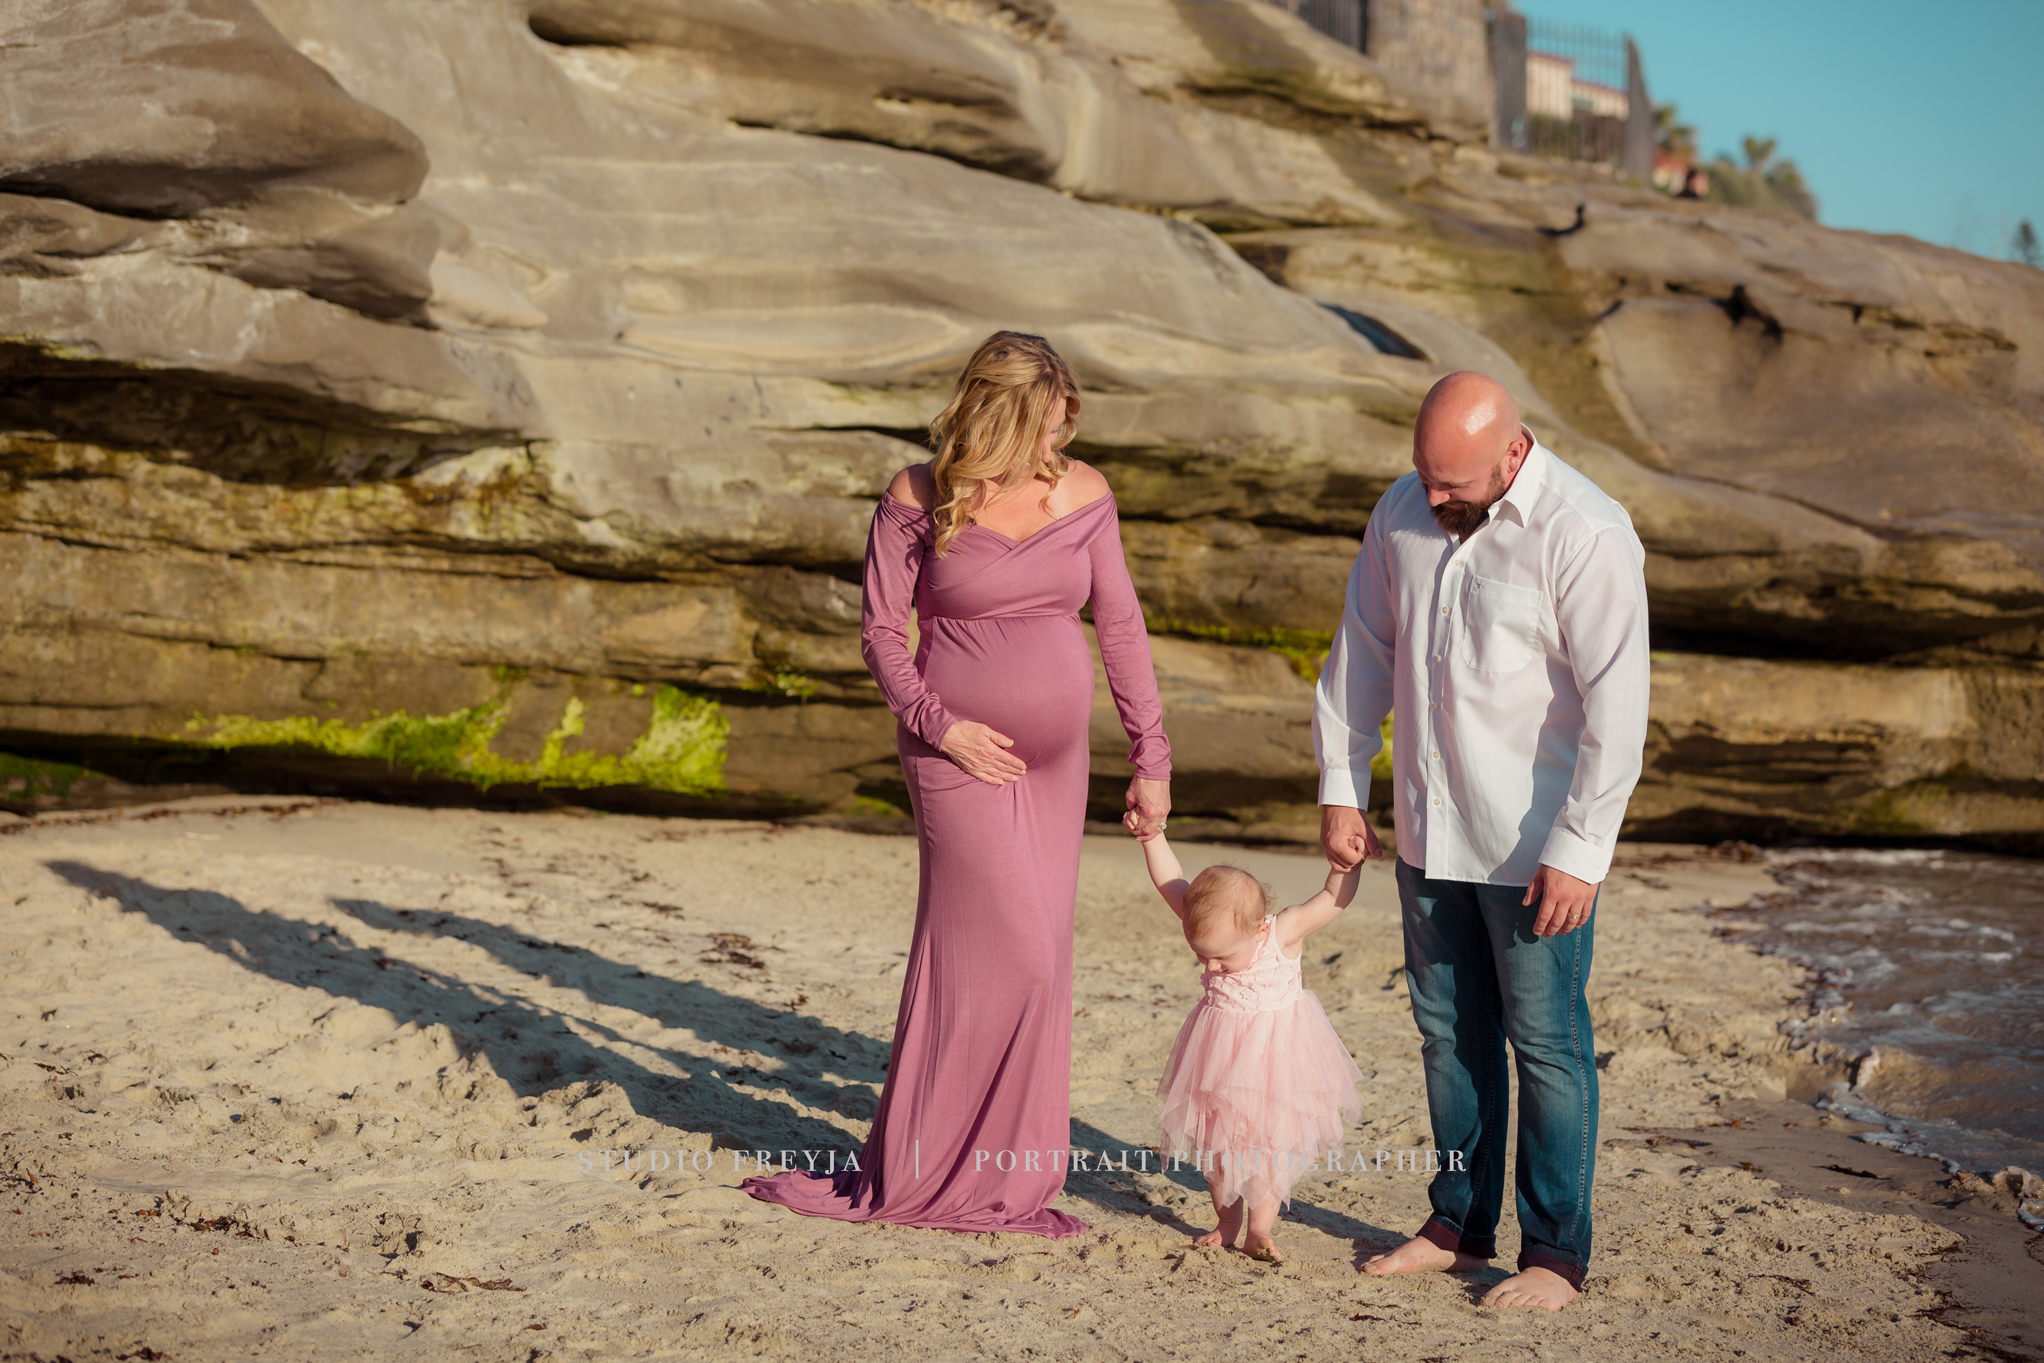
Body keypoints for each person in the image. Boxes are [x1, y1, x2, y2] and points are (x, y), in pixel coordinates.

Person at [742, 331, 1172, 1237]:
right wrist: (944, 726)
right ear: (1013, 407)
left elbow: (1123, 630)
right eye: (1058, 404)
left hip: (1056, 764)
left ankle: (1007, 1174)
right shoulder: (918, 495)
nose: (1069, 420)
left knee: (1042, 959)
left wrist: (1152, 759)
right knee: (1007, 951)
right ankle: (931, 1166)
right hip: (952, 754)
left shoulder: (1084, 491)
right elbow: (880, 635)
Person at [1314, 370, 1649, 1310]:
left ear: (1514, 448)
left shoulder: (1586, 531)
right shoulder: (1402, 513)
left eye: (1452, 481)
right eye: (1423, 474)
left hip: (1534, 843)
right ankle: (1458, 1223)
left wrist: (1581, 849)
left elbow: (1618, 713)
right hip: (1428, 828)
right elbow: (1363, 652)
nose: (1432, 495)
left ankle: (1554, 1254)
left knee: (1545, 1043)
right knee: (1448, 1034)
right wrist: (1345, 785)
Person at [1127, 821, 1364, 1263]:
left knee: (1270, 1148)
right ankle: (1227, 1223)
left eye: (1221, 957)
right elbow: (1169, 881)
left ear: (1257, 930)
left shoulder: (1280, 934)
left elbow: (1332, 900)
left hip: (1276, 1062)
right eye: (1201, 956)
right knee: (1216, 1148)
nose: (1211, 968)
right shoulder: (1210, 920)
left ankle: (1260, 1230)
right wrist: (1152, 837)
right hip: (1216, 1057)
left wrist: (1343, 866)